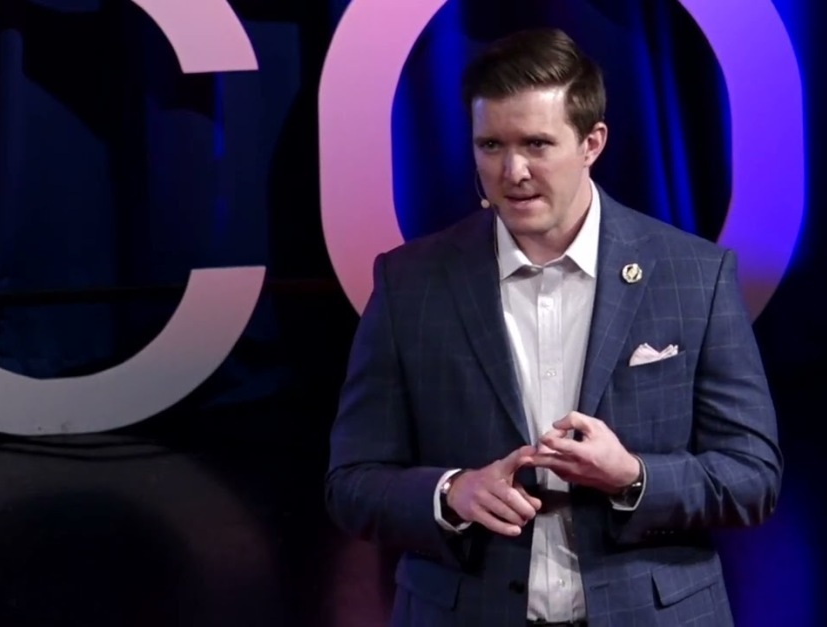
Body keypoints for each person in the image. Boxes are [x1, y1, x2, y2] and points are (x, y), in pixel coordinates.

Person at [325, 27, 783, 627]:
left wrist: (633, 477)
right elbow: (352, 483)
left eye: (536, 144)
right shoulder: (410, 283)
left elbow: (753, 476)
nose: (512, 170)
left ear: (592, 143)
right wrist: (451, 493)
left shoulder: (694, 274)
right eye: (491, 145)